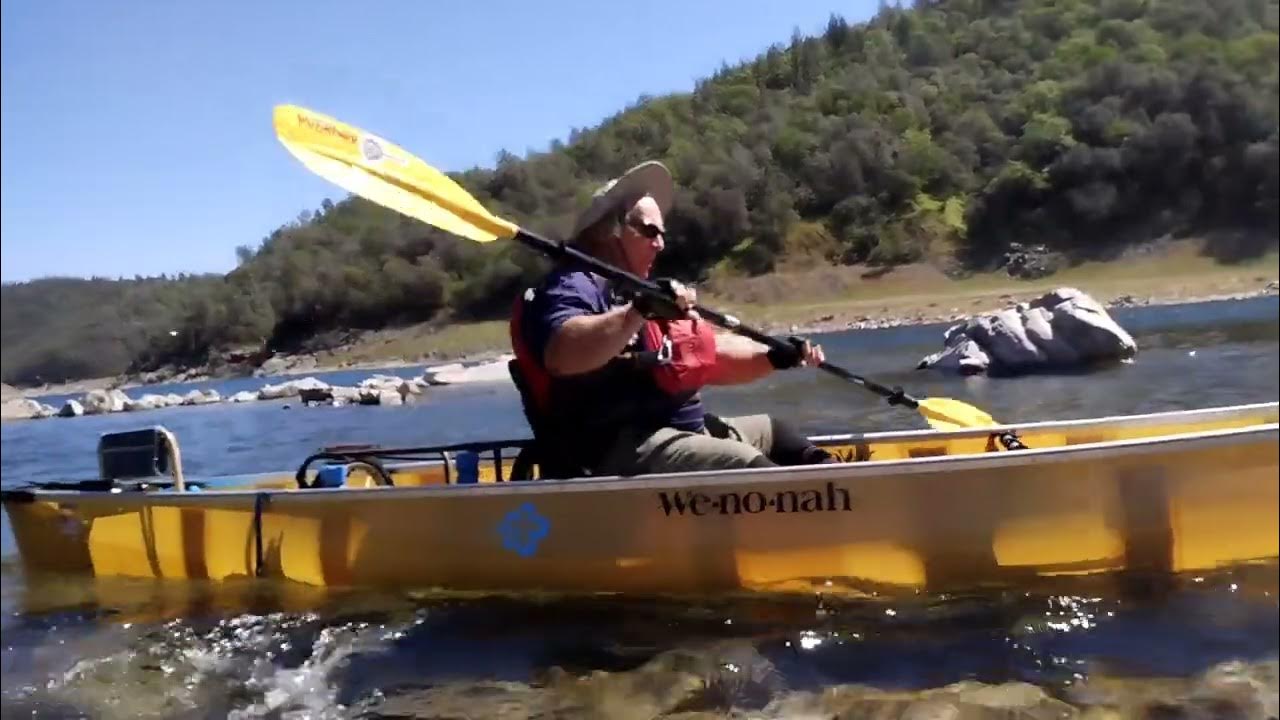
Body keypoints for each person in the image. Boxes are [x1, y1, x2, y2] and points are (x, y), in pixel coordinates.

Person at [509, 160, 839, 478]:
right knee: (744, 464)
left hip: (676, 433)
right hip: (617, 448)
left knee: (774, 432)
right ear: (612, 230)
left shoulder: (633, 291)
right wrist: (638, 312)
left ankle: (839, 488)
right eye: (650, 231)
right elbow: (562, 354)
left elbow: (712, 359)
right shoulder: (573, 284)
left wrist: (774, 357)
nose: (660, 243)